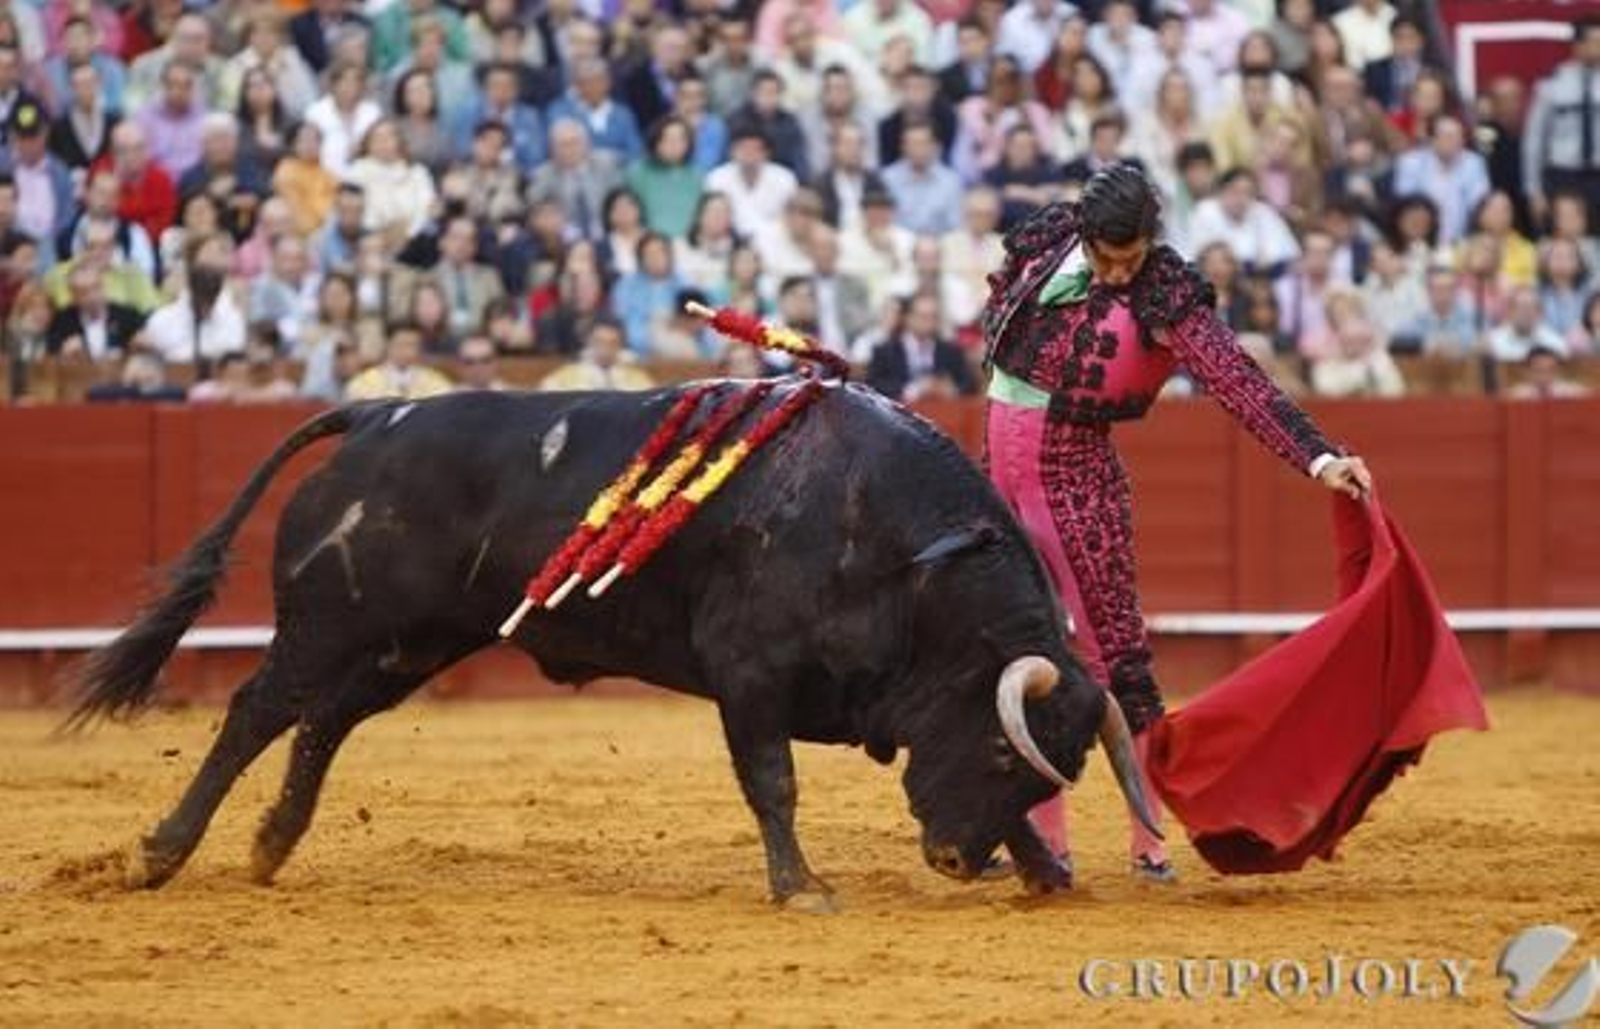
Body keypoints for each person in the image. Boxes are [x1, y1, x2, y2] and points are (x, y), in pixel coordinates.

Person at [981, 164, 1372, 883]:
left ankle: (1150, 841)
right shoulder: (1047, 242)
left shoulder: (1164, 292)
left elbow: (1236, 380)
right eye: (1106, 258)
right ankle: (1044, 843)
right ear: (1084, 233)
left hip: (1076, 485)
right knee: (1021, 651)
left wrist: (1318, 457)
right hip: (999, 481)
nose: (1117, 274)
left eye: (1129, 259)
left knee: (1115, 662)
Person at [345, 322, 454, 399]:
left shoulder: (435, 381)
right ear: (387, 345)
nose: (407, 351)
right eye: (401, 344)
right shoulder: (364, 383)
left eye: (412, 345)